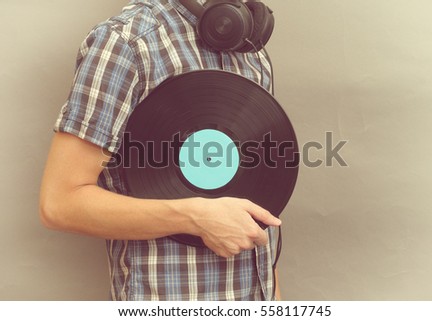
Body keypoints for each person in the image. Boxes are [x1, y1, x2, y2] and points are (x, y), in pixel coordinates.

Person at [40, 0, 281, 301]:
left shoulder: (252, 51)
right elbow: (60, 203)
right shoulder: (125, 42)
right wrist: (194, 217)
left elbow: (264, 195)